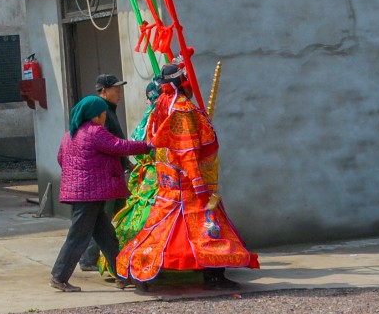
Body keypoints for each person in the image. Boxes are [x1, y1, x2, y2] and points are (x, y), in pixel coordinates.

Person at [117, 63, 260, 288]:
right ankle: (213, 276)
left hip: (169, 183)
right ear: (182, 82)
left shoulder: (160, 108)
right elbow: (187, 151)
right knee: (208, 231)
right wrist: (199, 185)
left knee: (161, 231)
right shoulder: (182, 110)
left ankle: (141, 272)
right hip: (188, 185)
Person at [51, 81, 150, 292]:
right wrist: (148, 146)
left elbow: (62, 160)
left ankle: (122, 274)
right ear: (95, 115)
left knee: (107, 237)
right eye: (103, 113)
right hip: (89, 194)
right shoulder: (95, 132)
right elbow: (119, 146)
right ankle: (59, 276)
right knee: (78, 237)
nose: (105, 117)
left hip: (82, 193)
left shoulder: (70, 135)